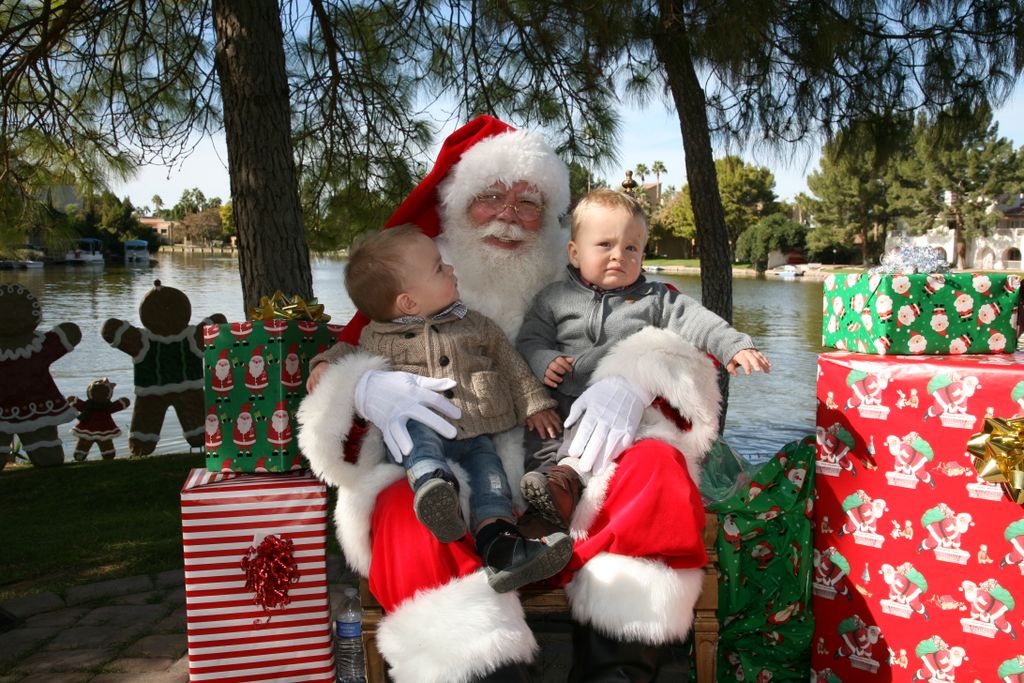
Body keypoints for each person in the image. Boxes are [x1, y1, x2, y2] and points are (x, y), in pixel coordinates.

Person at [298, 116, 724, 683]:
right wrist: (365, 387)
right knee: (404, 505)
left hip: (574, 462)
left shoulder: (586, 270)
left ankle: (619, 666)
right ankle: (478, 668)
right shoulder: (414, 278)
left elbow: (695, 351)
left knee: (657, 465)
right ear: (454, 205)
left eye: (528, 201)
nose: (508, 215)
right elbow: (332, 371)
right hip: (455, 467)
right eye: (489, 196)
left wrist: (637, 377)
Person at [516, 188, 770, 529]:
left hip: (626, 410)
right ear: (575, 253)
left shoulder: (657, 300)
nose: (619, 255)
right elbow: (530, 340)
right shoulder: (553, 298)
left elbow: (699, 322)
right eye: (605, 245)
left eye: (631, 248)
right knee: (542, 445)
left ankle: (568, 489)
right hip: (563, 402)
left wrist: (735, 346)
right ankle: (544, 515)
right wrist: (544, 359)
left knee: (620, 453)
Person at [339, 224, 571, 593]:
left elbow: (511, 365)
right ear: (408, 303)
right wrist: (323, 365)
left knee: (490, 480)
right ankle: (433, 485)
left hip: (475, 433)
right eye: (438, 268)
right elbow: (347, 357)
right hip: (421, 429)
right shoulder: (377, 337)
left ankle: (501, 546)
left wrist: (536, 402)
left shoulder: (475, 324)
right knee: (415, 433)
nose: (450, 269)